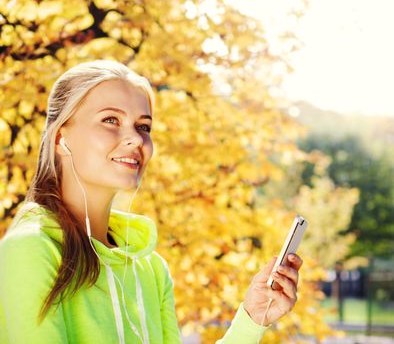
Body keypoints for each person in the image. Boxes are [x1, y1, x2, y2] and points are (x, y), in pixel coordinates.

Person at [0, 60, 303, 343]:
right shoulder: (31, 250)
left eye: (143, 126)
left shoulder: (150, 268)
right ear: (60, 137)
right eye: (110, 120)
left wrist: (252, 318)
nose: (135, 138)